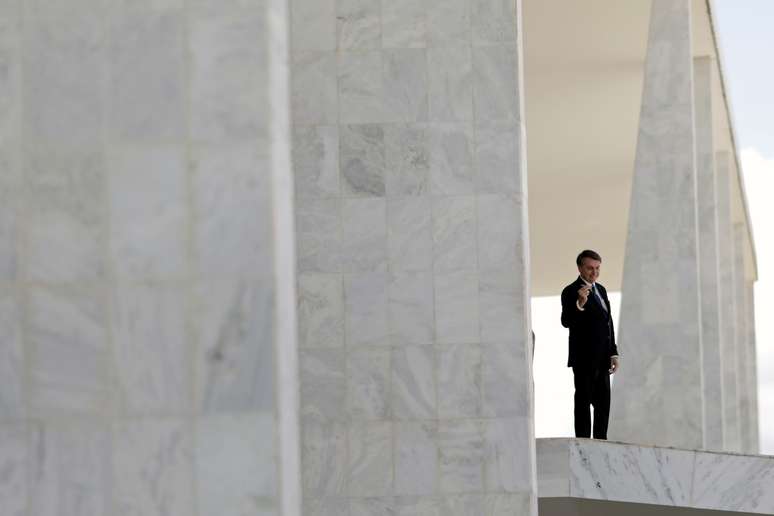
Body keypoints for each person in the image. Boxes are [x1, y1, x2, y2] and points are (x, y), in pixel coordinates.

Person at [560, 249, 619, 439]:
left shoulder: (600, 290)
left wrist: (614, 353)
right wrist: (580, 303)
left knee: (604, 405)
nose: (594, 273)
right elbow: (566, 321)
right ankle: (583, 443)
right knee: (583, 401)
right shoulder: (570, 291)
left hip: (603, 359)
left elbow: (607, 323)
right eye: (590, 268)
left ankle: (601, 443)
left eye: (597, 268)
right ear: (580, 268)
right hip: (584, 358)